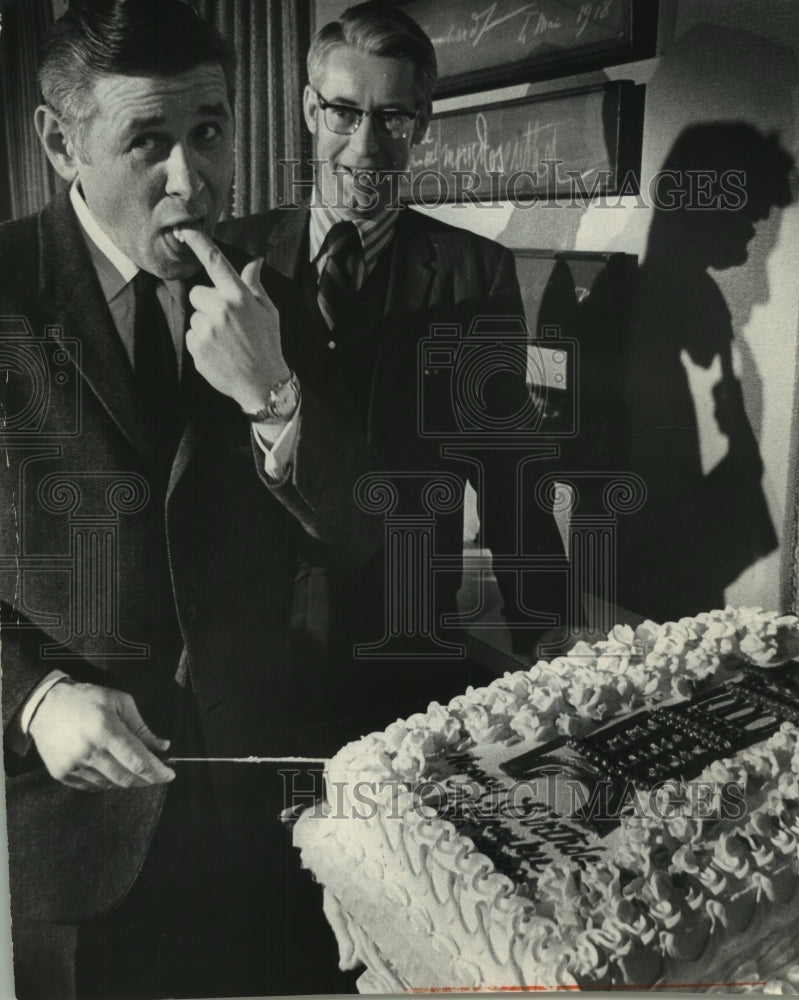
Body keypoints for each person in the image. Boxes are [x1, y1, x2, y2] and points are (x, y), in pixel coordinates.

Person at [0, 1, 381, 996]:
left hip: (258, 814)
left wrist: (274, 396)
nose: (192, 179)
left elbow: (358, 530)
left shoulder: (274, 298)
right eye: (148, 142)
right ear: (61, 143)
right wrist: (31, 698)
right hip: (70, 836)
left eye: (209, 132)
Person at [219, 2, 570, 722]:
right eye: (344, 113)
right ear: (309, 110)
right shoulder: (231, 254)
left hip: (405, 639)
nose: (365, 146)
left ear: (422, 122)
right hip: (248, 638)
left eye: (392, 119)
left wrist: (548, 634)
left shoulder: (476, 274)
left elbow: (508, 470)